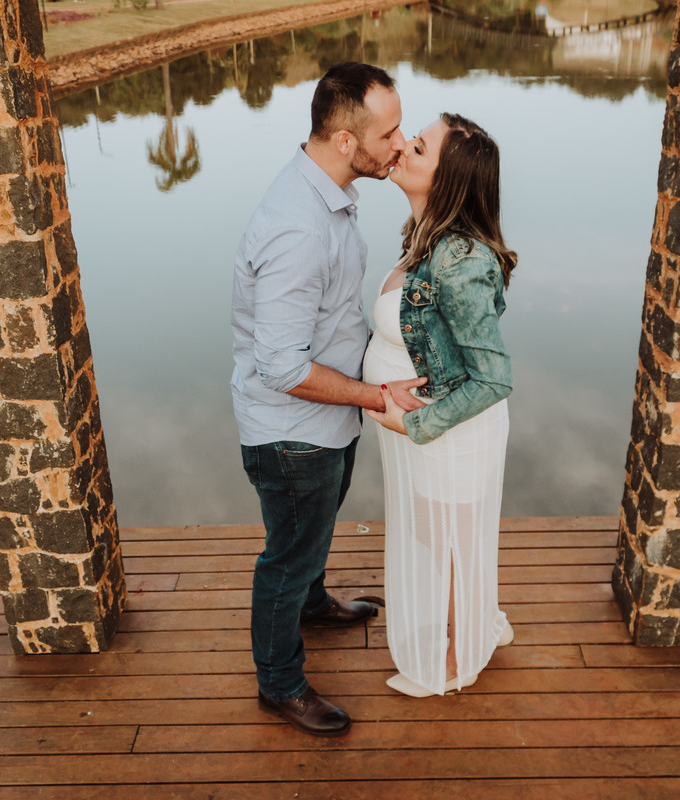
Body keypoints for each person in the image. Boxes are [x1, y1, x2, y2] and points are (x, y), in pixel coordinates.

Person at [230, 62, 427, 737]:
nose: (400, 143)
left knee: (310, 538)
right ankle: (280, 684)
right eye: (389, 133)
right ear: (346, 141)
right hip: (294, 433)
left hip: (327, 420)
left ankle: (312, 603)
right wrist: (375, 395)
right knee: (286, 558)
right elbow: (282, 366)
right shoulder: (298, 230)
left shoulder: (328, 194)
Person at [363, 113, 517, 697]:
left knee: (451, 542)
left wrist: (416, 423)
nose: (403, 145)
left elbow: (493, 379)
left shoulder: (461, 260)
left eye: (419, 147)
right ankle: (485, 618)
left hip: (447, 431)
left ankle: (462, 651)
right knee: (439, 533)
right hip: (423, 427)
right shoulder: (422, 235)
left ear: (447, 179)